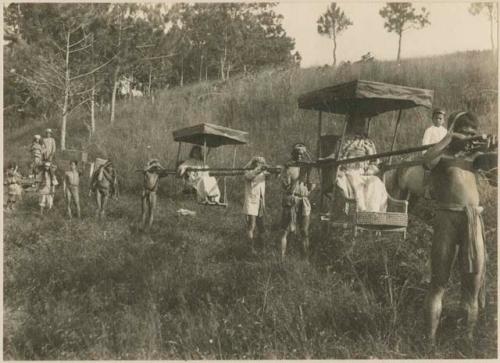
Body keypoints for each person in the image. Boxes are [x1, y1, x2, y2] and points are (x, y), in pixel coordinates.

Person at [423, 111, 488, 347]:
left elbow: (496, 176)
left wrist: (491, 148)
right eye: (465, 133)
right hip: (446, 217)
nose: (469, 138)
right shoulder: (442, 152)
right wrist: (450, 138)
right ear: (454, 130)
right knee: (438, 282)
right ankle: (428, 343)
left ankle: (466, 340)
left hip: (473, 219)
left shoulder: (475, 156)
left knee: (472, 286)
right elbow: (427, 161)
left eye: (473, 134)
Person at [332, 112, 388, 212]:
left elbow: (374, 161)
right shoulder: (343, 141)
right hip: (350, 172)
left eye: (362, 124)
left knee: (376, 182)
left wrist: (371, 169)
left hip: (365, 172)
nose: (361, 126)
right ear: (352, 124)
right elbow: (338, 159)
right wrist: (345, 164)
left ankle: (373, 212)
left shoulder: (368, 142)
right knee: (356, 184)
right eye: (358, 124)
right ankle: (361, 211)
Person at [280, 143, 314, 261]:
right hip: (291, 199)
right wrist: (297, 178)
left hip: (304, 200)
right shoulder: (288, 167)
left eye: (302, 153)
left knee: (304, 231)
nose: (299, 156)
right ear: (293, 154)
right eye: (297, 153)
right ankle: (282, 259)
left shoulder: (308, 167)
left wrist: (308, 178)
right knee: (285, 230)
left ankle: (305, 259)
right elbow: (286, 187)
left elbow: (312, 185)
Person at [243, 156, 270, 252]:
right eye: (259, 162)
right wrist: (259, 169)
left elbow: (269, 175)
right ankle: (251, 249)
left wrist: (275, 171)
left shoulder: (262, 173)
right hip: (251, 202)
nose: (261, 164)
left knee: (261, 225)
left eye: (262, 162)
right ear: (254, 163)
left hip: (260, 202)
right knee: (251, 225)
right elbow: (250, 176)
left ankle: (263, 248)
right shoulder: (248, 172)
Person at [141, 159, 168, 230]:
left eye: (156, 167)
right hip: (145, 192)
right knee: (144, 210)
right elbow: (144, 169)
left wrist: (159, 166)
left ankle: (148, 228)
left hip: (153, 193)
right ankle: (142, 225)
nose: (154, 168)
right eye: (153, 167)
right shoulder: (147, 172)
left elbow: (166, 172)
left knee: (151, 211)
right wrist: (151, 164)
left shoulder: (158, 174)